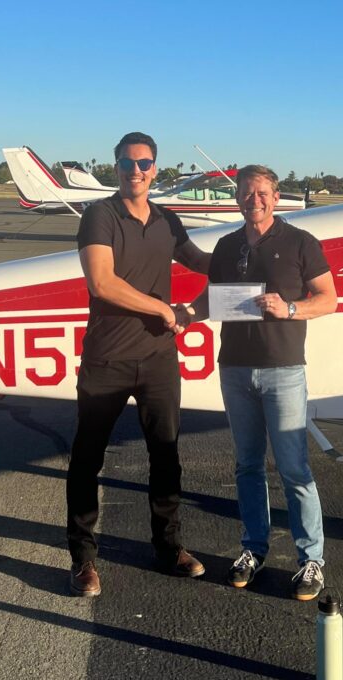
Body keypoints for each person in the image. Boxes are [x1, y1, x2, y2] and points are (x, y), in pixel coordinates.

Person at [184, 164, 337, 601]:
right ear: (238, 198)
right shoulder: (227, 244)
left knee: (294, 468)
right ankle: (253, 549)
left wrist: (289, 309)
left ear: (276, 196)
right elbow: (211, 298)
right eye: (248, 193)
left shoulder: (301, 242)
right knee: (247, 465)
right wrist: (182, 315)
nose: (256, 200)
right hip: (234, 368)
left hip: (283, 369)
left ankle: (311, 560)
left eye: (263, 193)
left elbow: (329, 299)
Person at [67, 132, 210, 597]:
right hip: (107, 358)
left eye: (144, 163)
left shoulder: (168, 219)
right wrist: (163, 309)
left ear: (155, 168)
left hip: (158, 360)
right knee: (88, 459)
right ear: (115, 168)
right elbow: (102, 283)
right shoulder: (99, 215)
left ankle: (169, 549)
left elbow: (199, 261)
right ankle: (83, 559)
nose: (136, 171)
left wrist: (252, 257)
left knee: (165, 456)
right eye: (127, 163)